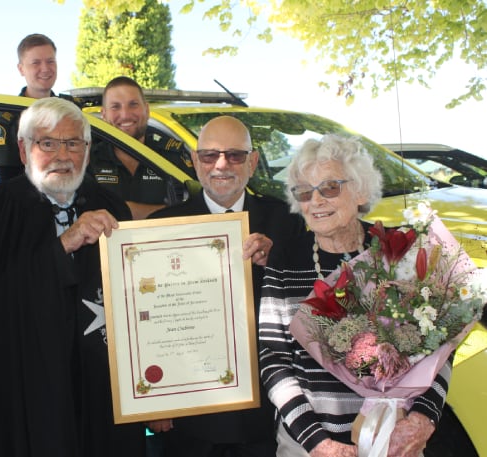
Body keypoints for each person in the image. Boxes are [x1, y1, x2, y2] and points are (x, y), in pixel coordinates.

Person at [0, 97, 143, 457]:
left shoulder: (112, 207)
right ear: (23, 150)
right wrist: (63, 246)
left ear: (88, 150)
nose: (63, 154)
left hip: (99, 393)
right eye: (47, 142)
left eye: (73, 143)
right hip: (25, 393)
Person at [258, 134, 448, 457]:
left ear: (360, 191)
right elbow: (273, 359)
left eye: (329, 187)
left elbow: (441, 342)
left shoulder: (395, 251)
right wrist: (318, 442)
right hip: (310, 443)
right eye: (304, 192)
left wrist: (423, 418)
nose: (315, 201)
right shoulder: (285, 260)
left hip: (394, 437)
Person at [146, 115, 305, 456]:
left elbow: (313, 301)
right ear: (194, 160)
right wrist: (152, 400)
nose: (221, 165)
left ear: (254, 161)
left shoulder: (290, 222)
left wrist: (278, 261)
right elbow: (150, 324)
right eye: (209, 155)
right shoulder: (159, 229)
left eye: (234, 155)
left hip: (269, 408)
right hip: (190, 413)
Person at [89, 76, 194, 220]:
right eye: (115, 106)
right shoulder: (89, 160)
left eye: (133, 104)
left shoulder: (173, 157)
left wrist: (123, 211)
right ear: (104, 114)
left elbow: (194, 209)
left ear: (147, 110)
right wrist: (164, 211)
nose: (125, 114)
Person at [0, 33, 58, 182]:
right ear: (21, 69)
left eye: (50, 61)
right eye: (36, 63)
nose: (45, 68)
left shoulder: (71, 109)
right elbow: (8, 180)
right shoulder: (9, 119)